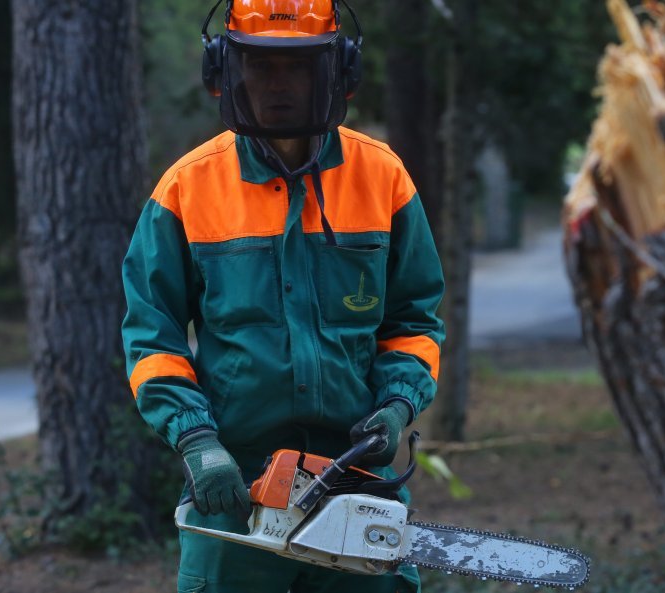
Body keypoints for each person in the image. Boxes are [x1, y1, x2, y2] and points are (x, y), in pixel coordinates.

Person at [120, 1, 445, 591]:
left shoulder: (383, 178)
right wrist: (194, 437)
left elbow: (415, 319)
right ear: (226, 69)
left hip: (354, 474)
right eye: (259, 66)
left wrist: (397, 403)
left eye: (296, 68)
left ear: (337, 71)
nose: (277, 84)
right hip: (233, 479)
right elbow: (151, 337)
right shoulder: (187, 189)